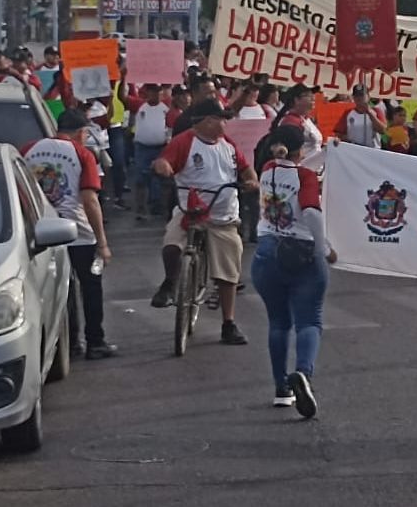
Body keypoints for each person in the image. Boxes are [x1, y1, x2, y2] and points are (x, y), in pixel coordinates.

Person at [151, 99, 258, 345]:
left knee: (229, 271)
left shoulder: (228, 145)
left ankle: (228, 323)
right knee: (171, 244)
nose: (225, 123)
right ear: (207, 121)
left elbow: (246, 170)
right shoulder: (185, 141)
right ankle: (170, 282)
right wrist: (163, 167)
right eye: (221, 118)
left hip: (222, 215)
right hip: (190, 210)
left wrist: (252, 181)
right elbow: (164, 160)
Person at [251, 124, 334, 417]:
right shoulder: (306, 177)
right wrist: (323, 249)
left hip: (266, 251)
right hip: (300, 252)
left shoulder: (268, 169)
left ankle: (280, 388)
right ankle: (303, 373)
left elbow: (293, 165)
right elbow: (311, 210)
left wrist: (327, 154)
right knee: (309, 320)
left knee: (278, 323)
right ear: (301, 150)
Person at [24, 109, 117, 359]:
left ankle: (69, 342)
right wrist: (102, 243)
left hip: (41, 233)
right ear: (80, 132)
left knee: (58, 291)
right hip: (78, 232)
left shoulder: (27, 151)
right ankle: (95, 342)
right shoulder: (82, 154)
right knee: (89, 287)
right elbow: (90, 200)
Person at [126, 83, 172, 220]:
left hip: (161, 147)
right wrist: (123, 78)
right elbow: (123, 97)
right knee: (141, 179)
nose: (155, 94)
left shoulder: (167, 106)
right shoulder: (139, 105)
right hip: (142, 148)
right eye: (152, 91)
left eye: (157, 91)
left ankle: (160, 207)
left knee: (162, 179)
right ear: (147, 93)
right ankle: (140, 208)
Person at [333, 84, 386, 149]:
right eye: (356, 95)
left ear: (368, 96)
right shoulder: (348, 113)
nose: (359, 98)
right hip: (354, 151)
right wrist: (338, 139)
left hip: (372, 151)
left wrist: (370, 113)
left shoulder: (377, 111)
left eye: (361, 95)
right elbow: (339, 133)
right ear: (353, 97)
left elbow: (382, 130)